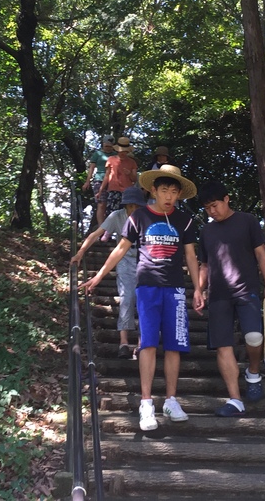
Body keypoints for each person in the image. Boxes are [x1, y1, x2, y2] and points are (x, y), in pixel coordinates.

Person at [84, 164, 204, 431]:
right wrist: (99, 276)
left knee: (174, 346)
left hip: (175, 289)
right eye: (164, 190)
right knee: (147, 343)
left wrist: (197, 288)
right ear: (153, 191)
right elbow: (120, 248)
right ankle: (146, 403)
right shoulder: (139, 216)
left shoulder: (184, 220)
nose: (169, 196)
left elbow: (190, 256)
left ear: (179, 194)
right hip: (147, 287)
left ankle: (171, 400)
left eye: (174, 192)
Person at [196, 180, 265, 417]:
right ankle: (235, 399)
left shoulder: (247, 221)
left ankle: (253, 372)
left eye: (215, 205)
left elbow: (261, 255)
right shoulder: (206, 231)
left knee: (254, 336)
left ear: (227, 199)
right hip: (218, 294)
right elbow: (204, 265)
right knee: (223, 345)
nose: (212, 211)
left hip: (246, 289)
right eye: (207, 208)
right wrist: (199, 290)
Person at [71, 185, 146, 357]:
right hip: (124, 260)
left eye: (137, 206)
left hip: (144, 262)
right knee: (127, 298)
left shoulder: (146, 217)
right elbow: (95, 234)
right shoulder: (116, 216)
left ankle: (142, 343)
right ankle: (123, 342)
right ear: (125, 205)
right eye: (130, 206)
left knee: (144, 301)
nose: (134, 209)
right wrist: (80, 253)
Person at [97, 135, 138, 214]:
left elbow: (134, 179)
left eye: (124, 151)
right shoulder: (111, 159)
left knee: (125, 213)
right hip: (113, 190)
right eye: (121, 151)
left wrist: (129, 174)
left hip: (127, 191)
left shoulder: (132, 162)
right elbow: (107, 176)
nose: (122, 153)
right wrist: (100, 190)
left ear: (127, 151)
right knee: (112, 213)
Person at [83, 137, 114, 228]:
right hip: (99, 179)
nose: (108, 148)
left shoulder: (115, 155)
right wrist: (87, 181)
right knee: (101, 204)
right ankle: (101, 227)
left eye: (110, 146)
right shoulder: (97, 154)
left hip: (113, 181)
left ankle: (110, 228)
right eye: (106, 146)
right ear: (103, 144)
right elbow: (91, 168)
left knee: (111, 205)